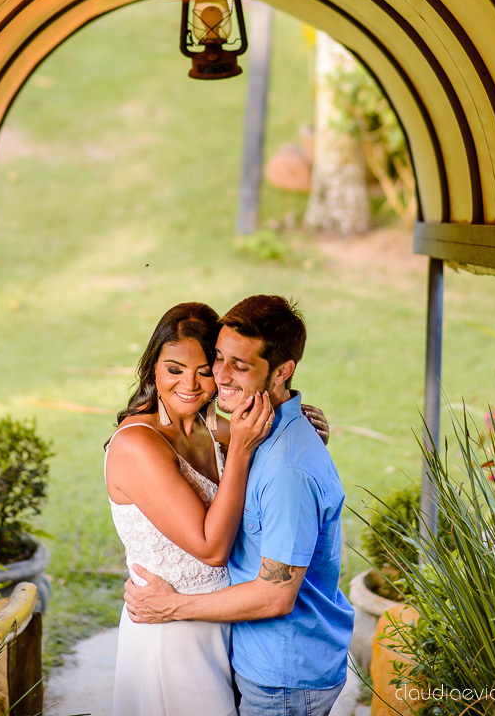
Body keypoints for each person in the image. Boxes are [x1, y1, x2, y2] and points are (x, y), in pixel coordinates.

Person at [125, 294, 354, 716]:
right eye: (219, 358)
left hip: (277, 668)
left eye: (240, 365)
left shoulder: (278, 459)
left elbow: (275, 595)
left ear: (282, 371)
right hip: (204, 639)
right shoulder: (245, 430)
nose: (218, 376)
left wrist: (175, 607)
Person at [104, 301, 273, 716]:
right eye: (174, 369)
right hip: (169, 636)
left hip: (220, 626)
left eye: (204, 371)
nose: (190, 385)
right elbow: (211, 548)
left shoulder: (206, 426)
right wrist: (241, 454)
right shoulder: (137, 445)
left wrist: (299, 418)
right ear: (153, 368)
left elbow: (268, 439)